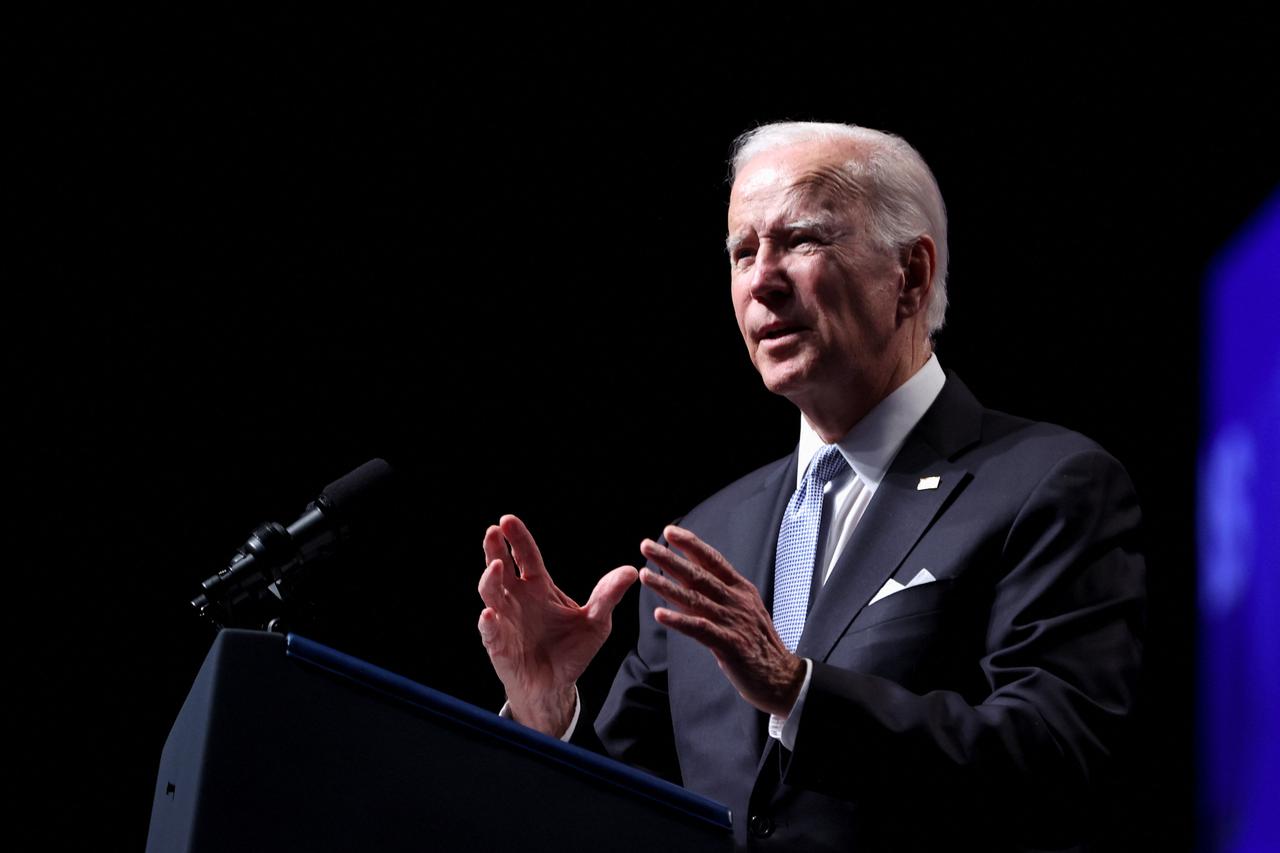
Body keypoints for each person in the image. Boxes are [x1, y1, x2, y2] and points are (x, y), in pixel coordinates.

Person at [476, 122, 1145, 851]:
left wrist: (798, 691)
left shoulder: (1046, 483)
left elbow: (1055, 755)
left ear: (912, 275)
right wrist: (551, 715)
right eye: (741, 251)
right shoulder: (707, 536)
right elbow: (630, 812)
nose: (761, 278)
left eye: (800, 240)